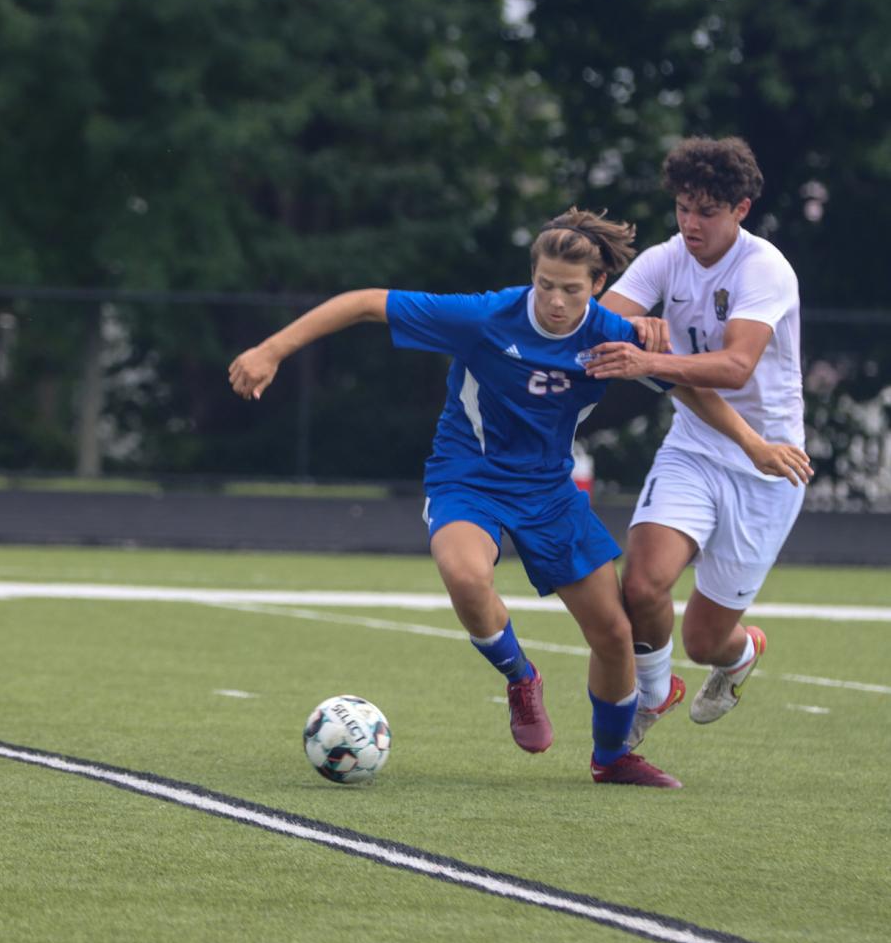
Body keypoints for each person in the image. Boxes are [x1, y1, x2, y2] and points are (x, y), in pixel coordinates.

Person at [229, 208, 810, 788]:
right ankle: (520, 679)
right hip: (469, 478)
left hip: (550, 492)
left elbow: (687, 387)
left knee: (613, 635)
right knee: (464, 575)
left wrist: (755, 444)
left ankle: (611, 758)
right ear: (533, 275)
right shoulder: (485, 317)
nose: (556, 301)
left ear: (598, 287)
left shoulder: (610, 336)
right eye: (546, 285)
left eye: (572, 290)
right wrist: (272, 350)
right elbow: (363, 303)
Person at [586, 137, 812, 746]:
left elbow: (736, 367)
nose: (691, 222)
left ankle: (740, 654)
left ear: (740, 210)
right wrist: (632, 327)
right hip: (692, 448)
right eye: (684, 206)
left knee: (704, 640)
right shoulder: (666, 258)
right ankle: (655, 694)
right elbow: (600, 322)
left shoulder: (763, 268)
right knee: (641, 584)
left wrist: (649, 360)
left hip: (769, 464)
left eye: (706, 211)